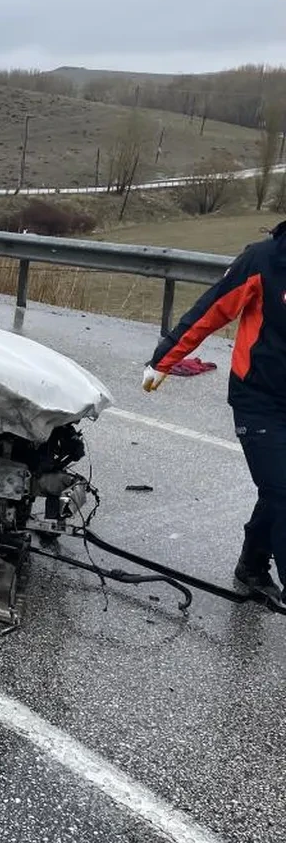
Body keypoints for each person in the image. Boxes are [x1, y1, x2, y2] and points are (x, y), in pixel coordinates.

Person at [143, 219, 286, 601]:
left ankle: (252, 565)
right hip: (259, 400)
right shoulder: (263, 260)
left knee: (278, 488)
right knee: (283, 491)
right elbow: (211, 311)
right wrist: (163, 360)